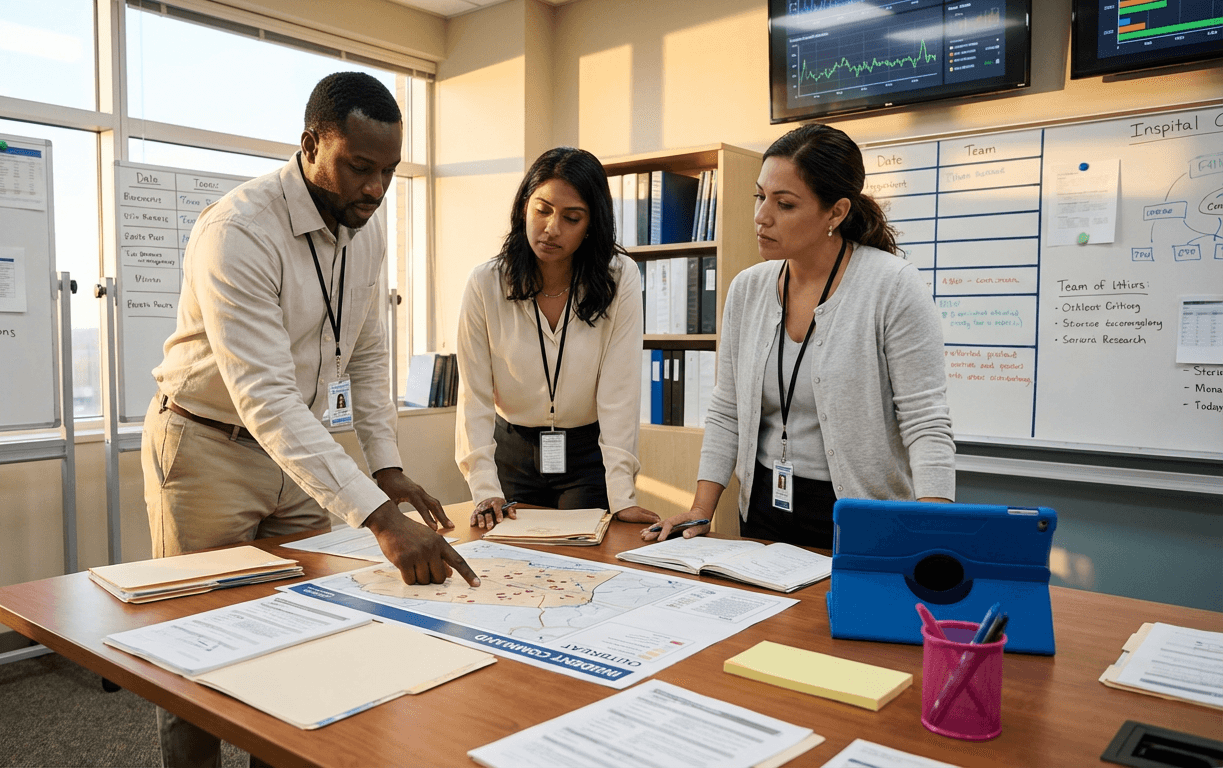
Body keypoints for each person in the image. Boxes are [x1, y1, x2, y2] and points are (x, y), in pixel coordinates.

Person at [142, 71, 478, 768]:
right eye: (359, 166)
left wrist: (386, 468)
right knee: (195, 645)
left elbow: (367, 349)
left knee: (308, 626)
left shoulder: (367, 227)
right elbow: (264, 397)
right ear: (309, 145)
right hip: (207, 445)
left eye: (387, 171)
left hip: (300, 452)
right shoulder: (239, 231)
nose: (376, 188)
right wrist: (380, 518)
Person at [645, 123, 954, 549]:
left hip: (860, 513)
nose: (761, 217)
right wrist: (701, 509)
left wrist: (934, 529)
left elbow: (925, 423)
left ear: (836, 212)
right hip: (764, 508)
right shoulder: (748, 288)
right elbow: (727, 409)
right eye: (760, 197)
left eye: (784, 204)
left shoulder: (893, 286)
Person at [455, 147, 659, 529]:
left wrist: (622, 496)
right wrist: (484, 488)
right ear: (523, 208)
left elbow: (620, 392)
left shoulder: (620, 278)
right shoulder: (486, 283)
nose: (552, 228)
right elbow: (474, 396)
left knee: (586, 566)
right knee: (512, 570)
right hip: (512, 451)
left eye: (572, 217)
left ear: (591, 223)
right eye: (542, 209)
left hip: (586, 455)